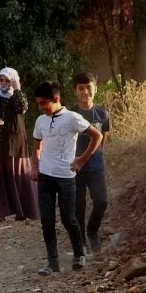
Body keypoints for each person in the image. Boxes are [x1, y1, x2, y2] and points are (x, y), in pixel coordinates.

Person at [31, 81, 102, 276]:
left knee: (68, 219)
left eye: (44, 103)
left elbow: (97, 136)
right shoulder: (41, 121)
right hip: (45, 177)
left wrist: (81, 160)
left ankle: (79, 253)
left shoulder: (72, 118)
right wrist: (34, 167)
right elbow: (37, 147)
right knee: (46, 220)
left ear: (56, 99)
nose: (41, 107)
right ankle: (52, 262)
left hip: (66, 177)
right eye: (38, 103)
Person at [0, 67, 39, 222]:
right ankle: (1, 212)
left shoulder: (17, 96)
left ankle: (22, 210)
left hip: (15, 140)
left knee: (17, 174)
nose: (4, 83)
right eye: (1, 80)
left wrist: (16, 89)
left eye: (7, 80)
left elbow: (21, 108)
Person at [70, 71, 111, 253]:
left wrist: (95, 156)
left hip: (95, 165)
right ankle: (81, 244)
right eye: (81, 88)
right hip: (74, 166)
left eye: (88, 87)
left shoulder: (102, 113)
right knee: (78, 206)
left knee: (101, 201)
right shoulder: (70, 114)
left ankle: (92, 232)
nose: (85, 92)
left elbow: (104, 139)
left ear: (96, 88)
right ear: (75, 91)